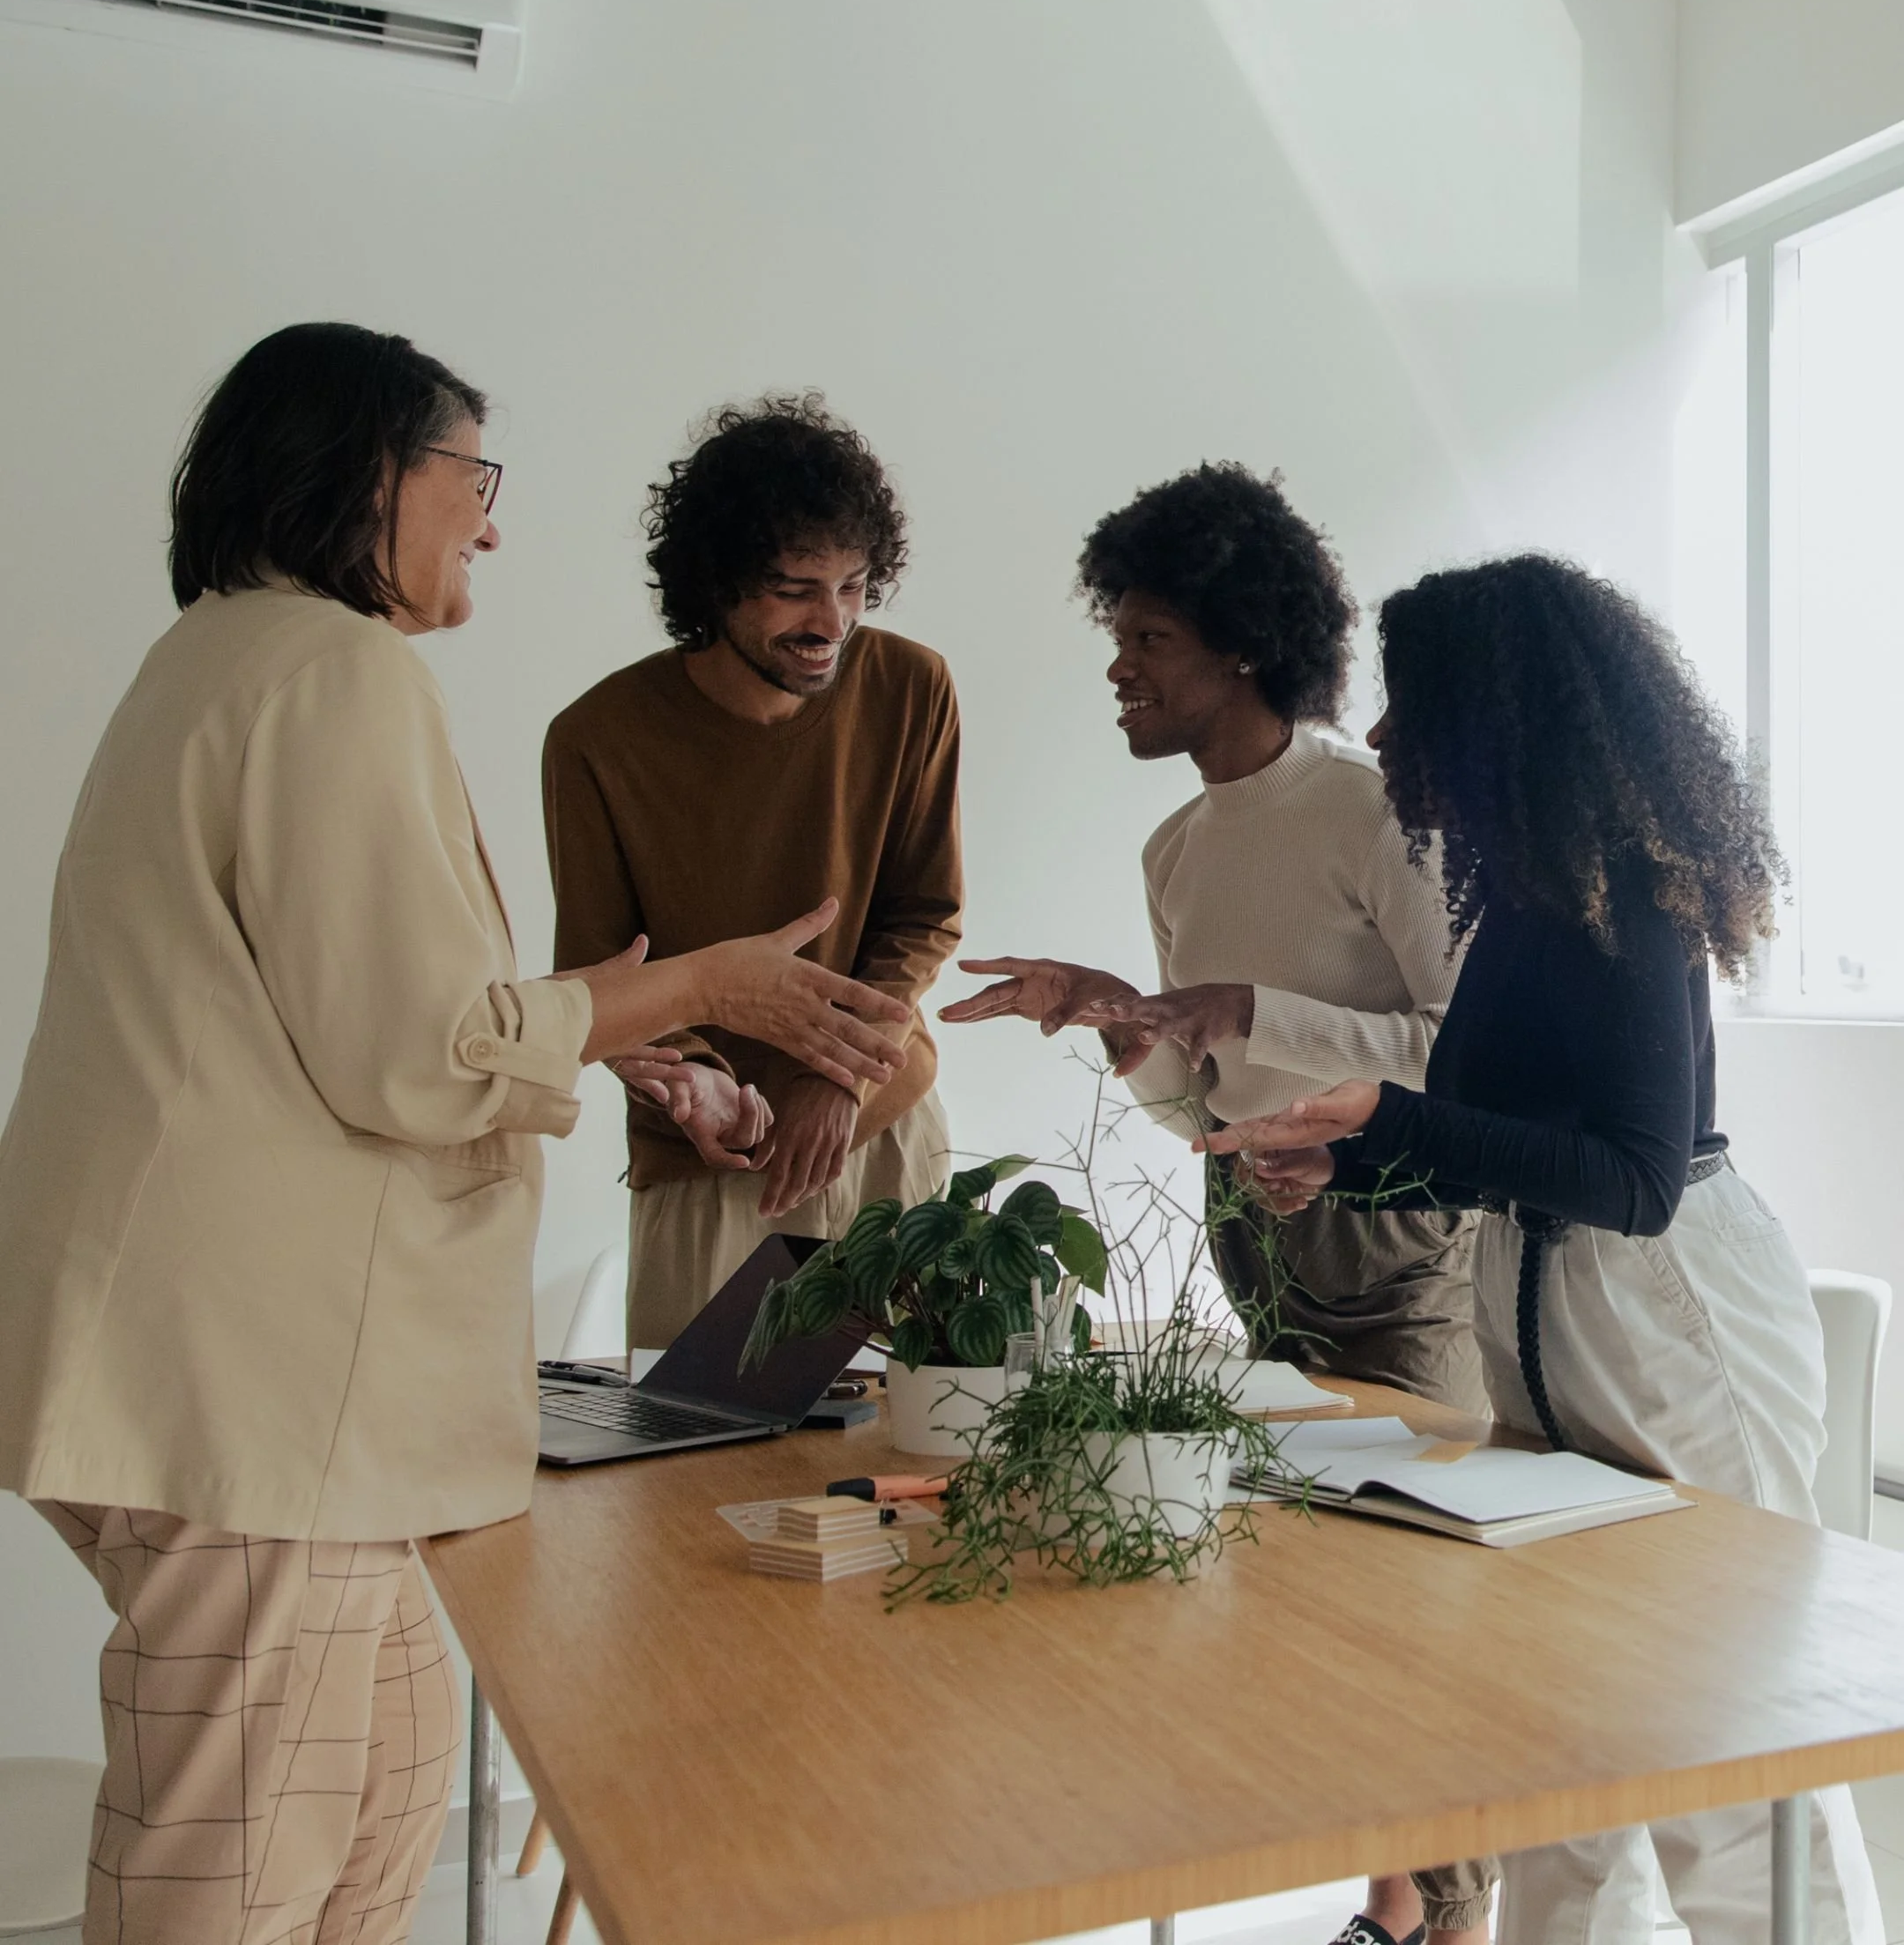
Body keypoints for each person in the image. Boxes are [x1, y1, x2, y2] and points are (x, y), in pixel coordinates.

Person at [0, 325, 907, 1945]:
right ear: (372, 478)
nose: (490, 522)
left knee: (381, 1812)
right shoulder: (333, 675)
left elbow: (338, 1013)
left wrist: (609, 1019)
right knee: (238, 1873)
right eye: (471, 479)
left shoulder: (217, 656)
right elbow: (414, 1054)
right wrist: (703, 989)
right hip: (257, 1402)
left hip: (234, 1386)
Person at [1217, 553, 1882, 1945]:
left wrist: (1392, 1119)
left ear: (1500, 714)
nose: (1386, 736)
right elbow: (1488, 1131)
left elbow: (1634, 1180)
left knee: (1727, 1757)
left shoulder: (1633, 893)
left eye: (1417, 705)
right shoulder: (1521, 897)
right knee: (1559, 1749)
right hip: (1546, 1311)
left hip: (1667, 1315)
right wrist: (1349, 1160)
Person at [940, 463, 1492, 1945]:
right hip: (1248, 1238)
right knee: (1320, 1592)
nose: (1119, 672)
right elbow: (1206, 1105)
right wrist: (1135, 1036)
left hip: (1403, 1243)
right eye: (1116, 640)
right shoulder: (1174, 849)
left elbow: (1468, 1054)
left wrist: (1256, 1006)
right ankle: (1394, 1899)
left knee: (1419, 1589)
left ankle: (1447, 1912)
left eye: (1148, 643)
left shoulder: (1370, 810)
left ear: (1240, 648)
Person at [544, 393, 963, 1349]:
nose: (833, 621)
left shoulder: (911, 687)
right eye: (793, 587)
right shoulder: (597, 740)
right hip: (710, 1160)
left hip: (882, 1126)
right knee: (695, 1474)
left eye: (855, 586)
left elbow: (925, 913)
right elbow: (603, 969)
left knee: (913, 1465)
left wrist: (841, 1078)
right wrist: (695, 1085)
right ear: (717, 581)